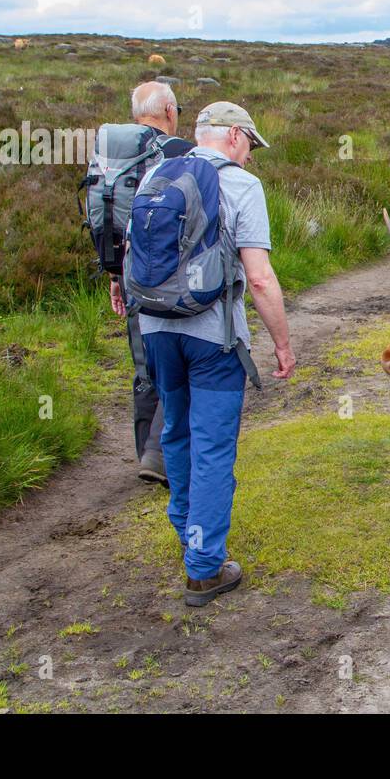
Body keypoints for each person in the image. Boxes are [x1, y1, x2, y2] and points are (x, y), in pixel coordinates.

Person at [126, 101, 297, 606]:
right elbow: (261, 278)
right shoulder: (243, 186)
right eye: (251, 147)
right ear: (238, 137)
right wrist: (282, 344)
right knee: (213, 447)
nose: (251, 159)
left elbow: (135, 252)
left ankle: (189, 534)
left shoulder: (153, 173)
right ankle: (203, 568)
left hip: (156, 328)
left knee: (175, 431)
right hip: (213, 337)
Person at [110, 81, 194, 486]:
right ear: (170, 111)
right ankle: (162, 454)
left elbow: (107, 219)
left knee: (144, 364)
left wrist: (114, 274)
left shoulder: (114, 156)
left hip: (128, 275)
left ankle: (145, 450)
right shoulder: (179, 153)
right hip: (171, 280)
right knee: (178, 361)